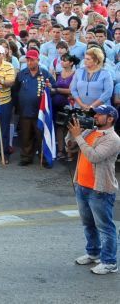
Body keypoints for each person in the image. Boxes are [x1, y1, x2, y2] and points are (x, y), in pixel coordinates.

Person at [69, 104, 120, 275]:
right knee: (88, 224)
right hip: (82, 185)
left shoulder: (113, 138)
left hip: (100, 190)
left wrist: (79, 137)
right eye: (95, 114)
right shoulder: (89, 132)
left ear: (110, 118)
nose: (95, 117)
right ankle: (93, 252)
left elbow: (94, 156)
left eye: (99, 114)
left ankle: (109, 262)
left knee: (105, 227)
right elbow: (71, 146)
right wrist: (73, 130)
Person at [14, 49, 54, 167]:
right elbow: (15, 90)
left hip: (40, 112)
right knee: (26, 136)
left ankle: (44, 158)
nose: (30, 62)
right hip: (25, 110)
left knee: (41, 135)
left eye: (32, 60)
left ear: (38, 60)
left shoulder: (45, 74)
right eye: (28, 60)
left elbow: (53, 89)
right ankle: (26, 157)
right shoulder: (21, 74)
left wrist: (50, 88)